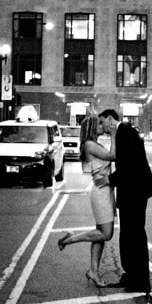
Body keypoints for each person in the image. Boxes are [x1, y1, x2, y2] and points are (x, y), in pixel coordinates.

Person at [99, 109, 152, 294]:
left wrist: (109, 180)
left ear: (110, 119)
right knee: (128, 235)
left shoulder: (126, 133)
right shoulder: (122, 133)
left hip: (135, 192)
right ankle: (131, 275)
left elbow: (128, 165)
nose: (103, 128)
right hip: (131, 192)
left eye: (102, 122)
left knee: (135, 236)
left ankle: (140, 281)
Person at [57, 114, 117, 287]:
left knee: (99, 234)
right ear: (91, 127)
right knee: (106, 234)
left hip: (105, 190)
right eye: (99, 124)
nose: (102, 126)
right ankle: (70, 239)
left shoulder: (93, 144)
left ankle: (94, 271)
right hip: (101, 192)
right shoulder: (90, 145)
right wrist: (113, 134)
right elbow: (113, 156)